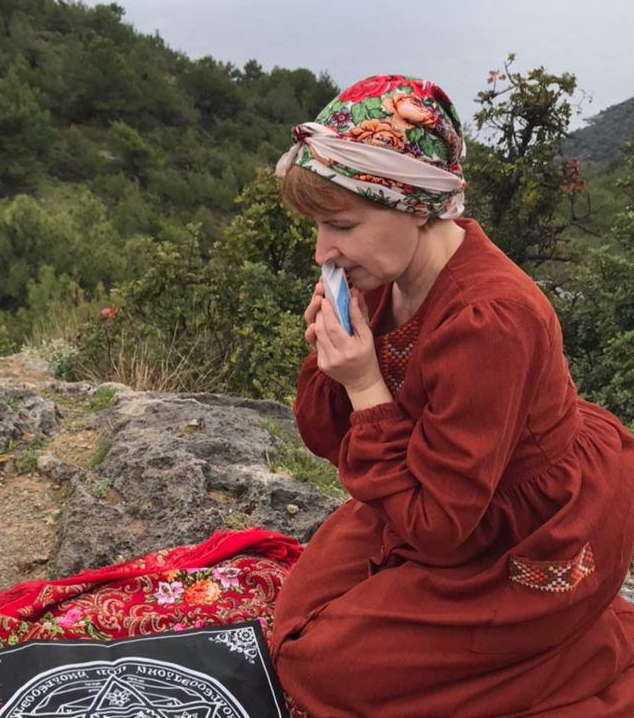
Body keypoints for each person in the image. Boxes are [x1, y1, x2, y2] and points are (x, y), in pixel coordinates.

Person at [269, 74, 634, 717]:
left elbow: (438, 528)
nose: (324, 250)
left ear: (416, 206)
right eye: (319, 227)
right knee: (296, 625)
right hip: (437, 493)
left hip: (529, 531)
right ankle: (533, 643)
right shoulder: (386, 277)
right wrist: (335, 364)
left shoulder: (492, 320)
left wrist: (364, 384)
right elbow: (327, 438)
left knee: (323, 668)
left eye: (342, 225)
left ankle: (583, 645)